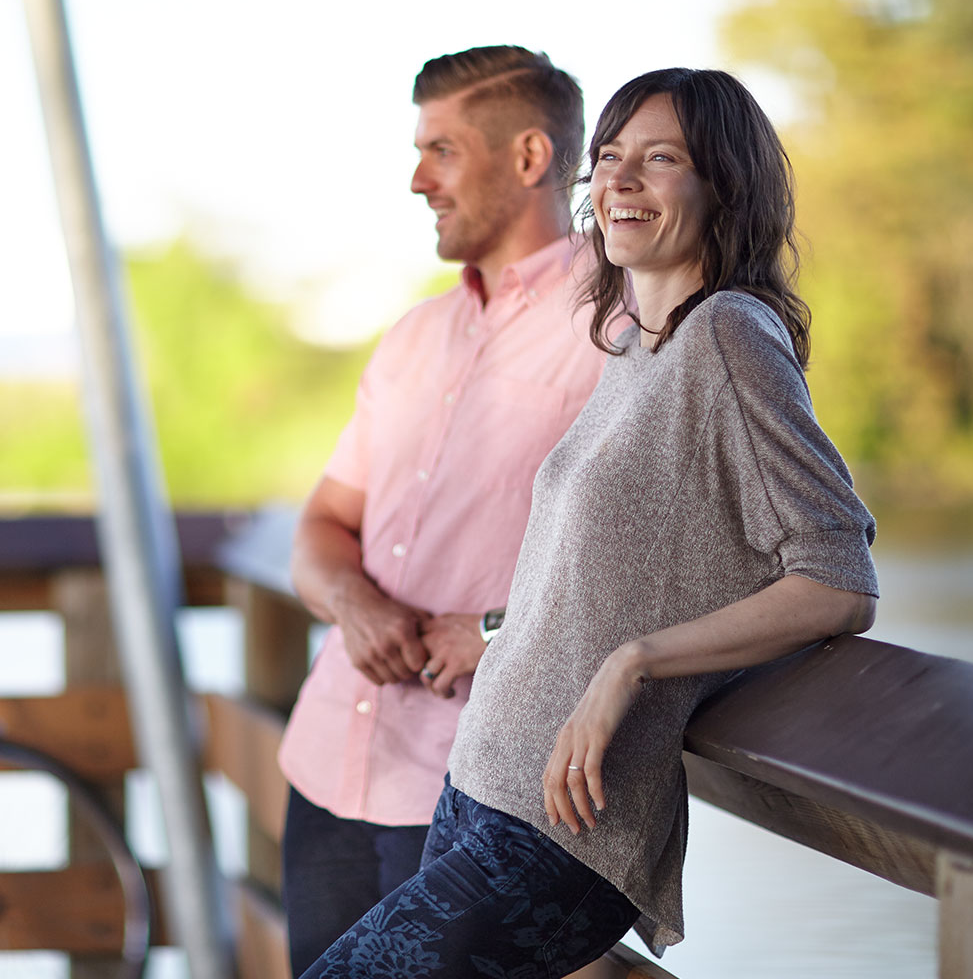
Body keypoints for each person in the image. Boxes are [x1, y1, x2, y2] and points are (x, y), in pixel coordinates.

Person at [299, 67, 880, 979]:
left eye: (660, 160)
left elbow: (838, 578)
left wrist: (637, 662)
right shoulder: (634, 345)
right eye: (609, 159)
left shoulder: (729, 336)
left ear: (724, 185)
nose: (619, 182)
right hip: (480, 781)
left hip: (567, 825)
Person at [277, 46, 607, 976]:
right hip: (331, 763)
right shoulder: (414, 336)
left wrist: (500, 632)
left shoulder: (624, 329)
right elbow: (321, 527)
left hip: (477, 793)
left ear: (531, 157)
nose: (418, 179)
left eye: (443, 150)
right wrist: (355, 605)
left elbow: (676, 567)